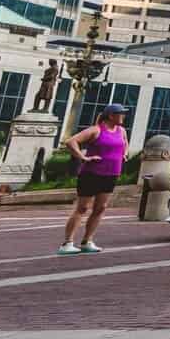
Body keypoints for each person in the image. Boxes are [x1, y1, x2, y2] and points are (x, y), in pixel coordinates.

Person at [58, 103, 128, 255]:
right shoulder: (96, 130)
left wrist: (124, 154)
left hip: (111, 174)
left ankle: (87, 241)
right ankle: (67, 243)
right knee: (82, 208)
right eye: (120, 113)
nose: (123, 116)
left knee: (101, 208)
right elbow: (71, 141)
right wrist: (83, 157)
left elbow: (124, 145)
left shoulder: (121, 130)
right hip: (91, 174)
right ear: (111, 115)